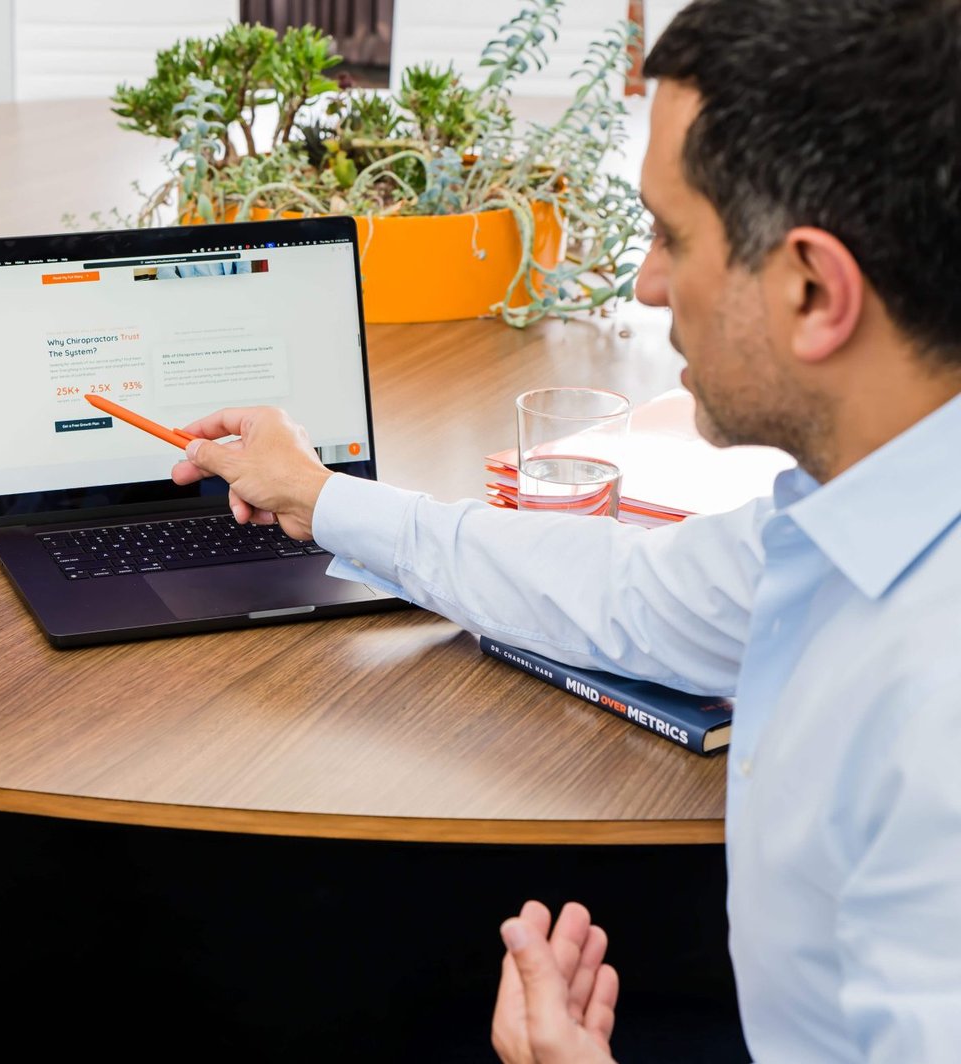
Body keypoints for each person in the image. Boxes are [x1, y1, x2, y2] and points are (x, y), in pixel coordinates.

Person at [169, 0, 961, 1060]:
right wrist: (320, 494)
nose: (642, 283)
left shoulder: (932, 721)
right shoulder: (860, 509)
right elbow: (627, 590)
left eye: (672, 236)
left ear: (815, 289)